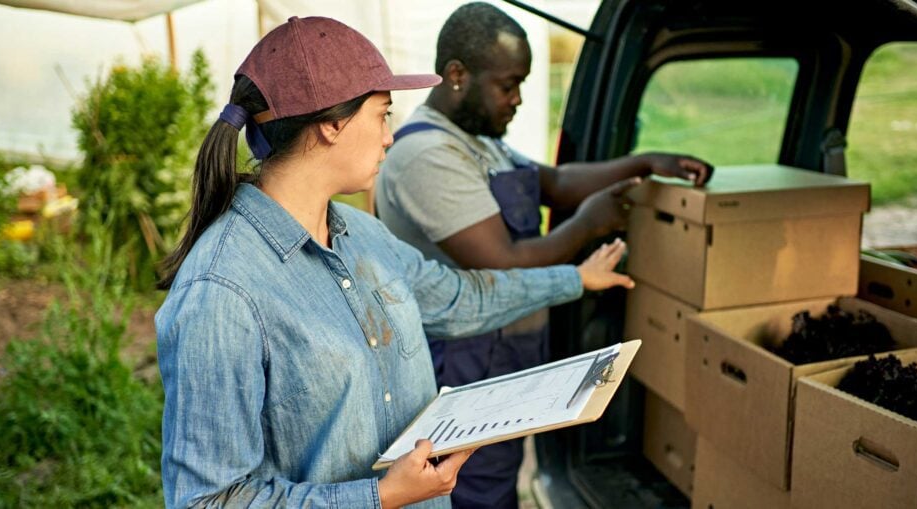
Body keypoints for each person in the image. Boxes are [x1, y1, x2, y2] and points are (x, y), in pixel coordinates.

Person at [154, 15, 635, 509]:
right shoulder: (221, 291)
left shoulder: (363, 236)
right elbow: (207, 501)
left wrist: (575, 278)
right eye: (382, 114)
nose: (390, 136)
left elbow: (459, 299)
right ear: (332, 124)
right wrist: (380, 496)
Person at [375, 3, 714, 508]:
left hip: (502, 358)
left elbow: (553, 183)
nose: (516, 100)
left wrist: (644, 161)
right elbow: (502, 260)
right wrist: (591, 224)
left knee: (498, 478)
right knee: (473, 491)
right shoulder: (426, 155)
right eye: (507, 85)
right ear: (456, 75)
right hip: (460, 370)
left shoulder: (480, 141)